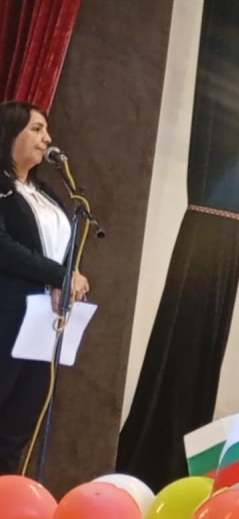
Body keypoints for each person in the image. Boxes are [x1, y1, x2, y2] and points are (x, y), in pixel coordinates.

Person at [0, 101, 88, 474]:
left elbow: (62, 248)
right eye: (36, 129)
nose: (47, 138)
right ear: (9, 133)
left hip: (41, 324)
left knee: (17, 426)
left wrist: (71, 274)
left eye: (46, 130)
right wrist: (57, 275)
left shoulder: (47, 193)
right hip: (6, 315)